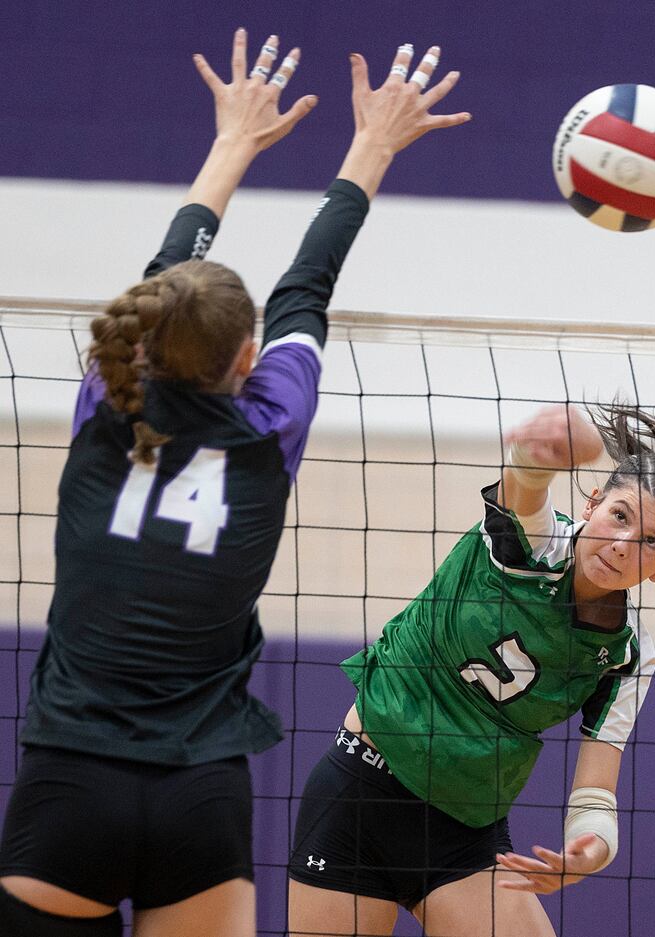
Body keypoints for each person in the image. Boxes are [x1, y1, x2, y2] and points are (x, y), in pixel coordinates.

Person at [0, 29, 470, 937]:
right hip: (201, 797)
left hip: (69, 783)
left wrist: (232, 142)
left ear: (137, 340)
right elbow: (308, 288)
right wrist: (371, 147)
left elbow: (170, 279)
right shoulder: (269, 428)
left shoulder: (106, 401)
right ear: (248, 359)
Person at [288, 403, 655, 937]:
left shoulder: (629, 654)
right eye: (620, 516)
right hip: (360, 795)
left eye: (652, 542)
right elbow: (525, 484)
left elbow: (596, 794)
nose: (623, 546)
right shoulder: (531, 544)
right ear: (594, 501)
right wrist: (541, 451)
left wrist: (590, 852)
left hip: (464, 832)